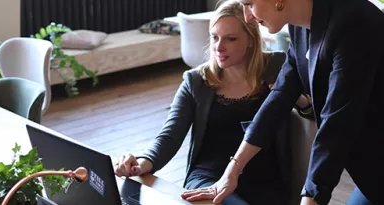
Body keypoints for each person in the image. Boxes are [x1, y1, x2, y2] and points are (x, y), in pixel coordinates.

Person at [182, 0, 384, 204]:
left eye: (249, 3)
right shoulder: (300, 27)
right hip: (370, 166)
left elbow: (337, 123)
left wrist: (311, 196)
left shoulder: (354, 22)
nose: (247, 16)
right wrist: (232, 171)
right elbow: (280, 95)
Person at [114, 1, 311, 204]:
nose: (219, 47)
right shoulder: (196, 81)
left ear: (251, 39)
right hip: (208, 178)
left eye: (230, 39)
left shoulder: (277, 66)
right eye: (214, 37)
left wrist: (298, 99)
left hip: (266, 181)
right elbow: (169, 136)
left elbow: (314, 114)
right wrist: (142, 162)